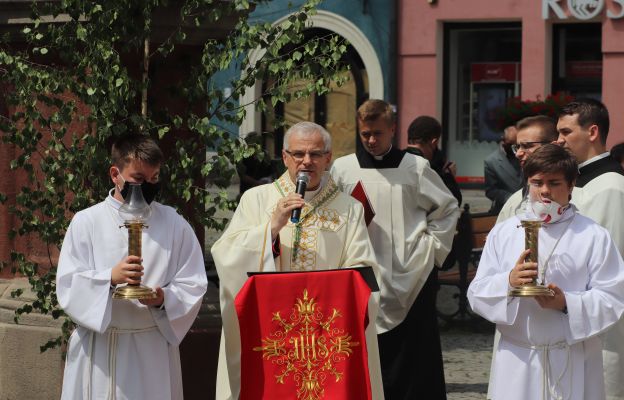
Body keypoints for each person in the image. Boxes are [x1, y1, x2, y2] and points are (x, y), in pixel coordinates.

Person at [211, 121, 384, 400]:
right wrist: (271, 229)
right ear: (284, 157)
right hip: (271, 334)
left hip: (325, 335)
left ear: (328, 158)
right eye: (298, 154)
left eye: (315, 154)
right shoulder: (256, 199)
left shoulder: (350, 208)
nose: (306, 162)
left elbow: (364, 272)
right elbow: (226, 255)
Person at [56, 133, 208, 400]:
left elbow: (193, 282)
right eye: (139, 179)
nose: (148, 185)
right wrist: (109, 278)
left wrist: (163, 299)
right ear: (116, 174)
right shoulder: (87, 221)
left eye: (154, 178)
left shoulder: (174, 224)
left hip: (150, 350)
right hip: (99, 348)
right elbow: (69, 283)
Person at [468, 144, 624, 400]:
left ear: (572, 184)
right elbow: (476, 293)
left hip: (573, 358)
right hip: (517, 360)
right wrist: (508, 282)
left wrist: (566, 303)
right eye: (537, 182)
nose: (544, 192)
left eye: (554, 182)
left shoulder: (594, 235)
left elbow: (614, 297)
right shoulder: (505, 232)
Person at [330, 99, 460, 400]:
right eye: (365, 134)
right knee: (364, 350)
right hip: (360, 270)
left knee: (413, 354)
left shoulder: (415, 167)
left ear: (392, 129)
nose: (372, 141)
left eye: (378, 133)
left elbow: (447, 207)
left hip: (411, 270)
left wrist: (432, 248)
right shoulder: (343, 169)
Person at [555, 98, 624, 398]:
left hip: (599, 322)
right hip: (571, 311)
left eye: (566, 132)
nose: (558, 141)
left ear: (592, 132)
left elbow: (610, 265)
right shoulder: (581, 182)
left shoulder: (611, 186)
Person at [496, 115, 559, 222]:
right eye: (517, 147)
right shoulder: (514, 201)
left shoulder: (572, 199)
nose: (518, 154)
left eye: (527, 146)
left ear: (552, 147)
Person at [406, 115, 462, 205]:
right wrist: (449, 176)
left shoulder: (397, 160)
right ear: (434, 142)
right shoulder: (425, 166)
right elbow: (452, 203)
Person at [483, 125, 523, 214]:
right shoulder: (491, 161)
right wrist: (512, 198)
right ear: (503, 140)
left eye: (516, 145)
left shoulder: (524, 154)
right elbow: (491, 191)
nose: (514, 149)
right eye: (510, 145)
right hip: (505, 210)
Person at [236, 131, 275, 195]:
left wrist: (268, 180)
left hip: (263, 191)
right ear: (248, 142)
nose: (257, 144)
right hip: (247, 191)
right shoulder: (242, 156)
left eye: (258, 142)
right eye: (254, 142)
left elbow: (272, 172)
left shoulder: (264, 155)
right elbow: (242, 175)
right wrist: (257, 183)